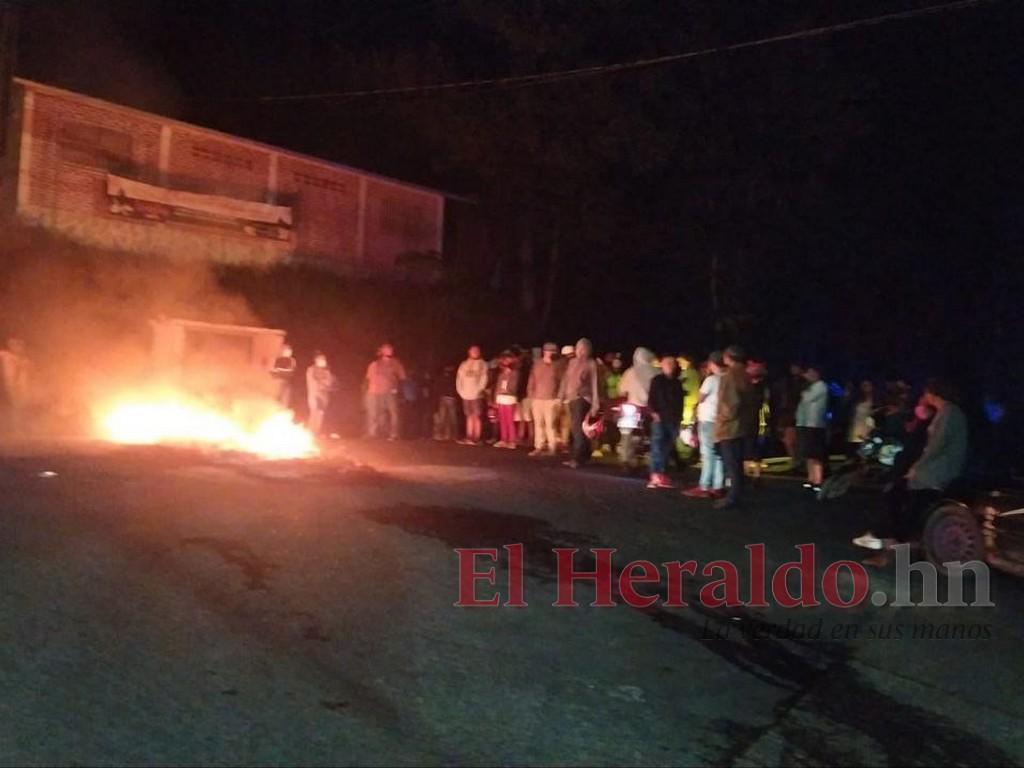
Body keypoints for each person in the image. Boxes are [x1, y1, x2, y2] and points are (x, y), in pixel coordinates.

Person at [855, 378, 968, 567]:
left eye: (926, 393)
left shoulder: (949, 412)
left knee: (896, 497)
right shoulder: (946, 412)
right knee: (897, 498)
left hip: (938, 471)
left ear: (932, 393)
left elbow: (936, 446)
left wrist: (917, 467)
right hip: (935, 467)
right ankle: (884, 540)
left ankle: (883, 540)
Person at [713, 345, 752, 509]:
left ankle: (732, 498)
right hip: (742, 426)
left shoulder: (730, 376)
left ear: (729, 357)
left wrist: (721, 421)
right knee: (737, 463)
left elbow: (729, 405)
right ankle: (737, 494)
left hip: (730, 428)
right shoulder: (745, 374)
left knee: (732, 464)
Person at [684, 351, 725, 498]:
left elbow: (700, 398)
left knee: (708, 454)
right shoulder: (727, 379)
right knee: (719, 454)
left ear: (712, 364)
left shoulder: (711, 380)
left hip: (708, 420)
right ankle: (718, 486)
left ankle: (704, 486)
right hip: (721, 421)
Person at [557, 338, 600, 468]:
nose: (580, 352)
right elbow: (565, 380)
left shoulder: (591, 363)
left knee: (578, 430)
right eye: (578, 348)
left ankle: (577, 458)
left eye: (583, 349)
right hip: (571, 399)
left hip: (582, 398)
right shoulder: (572, 362)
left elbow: (595, 383)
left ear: (588, 350)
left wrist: (595, 403)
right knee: (580, 429)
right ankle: (585, 456)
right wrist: (560, 396)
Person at [617, 346, 657, 468]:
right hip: (650, 409)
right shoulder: (656, 372)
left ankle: (625, 459)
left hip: (632, 408)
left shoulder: (630, 372)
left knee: (626, 434)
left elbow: (621, 390)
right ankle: (652, 460)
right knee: (653, 435)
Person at [647, 355, 684, 489]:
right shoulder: (657, 380)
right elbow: (651, 398)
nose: (669, 365)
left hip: (673, 419)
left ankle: (662, 474)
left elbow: (680, 402)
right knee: (657, 446)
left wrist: (680, 419)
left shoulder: (677, 382)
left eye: (672, 363)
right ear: (662, 365)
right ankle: (655, 474)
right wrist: (654, 413)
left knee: (667, 448)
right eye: (667, 363)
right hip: (660, 418)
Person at [796, 364, 829, 492]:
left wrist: (804, 392)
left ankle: (818, 480)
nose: (808, 375)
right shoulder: (810, 387)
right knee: (808, 453)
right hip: (805, 423)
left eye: (810, 372)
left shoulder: (821, 386)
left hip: (815, 424)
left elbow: (807, 398)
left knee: (815, 453)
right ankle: (811, 478)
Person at [365, 343, 406, 440]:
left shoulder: (395, 362)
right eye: (386, 349)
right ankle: (379, 433)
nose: (389, 351)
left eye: (390, 349)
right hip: (377, 392)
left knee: (393, 412)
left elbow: (402, 376)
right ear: (382, 351)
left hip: (390, 391)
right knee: (380, 413)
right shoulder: (376, 363)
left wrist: (397, 388)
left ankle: (394, 434)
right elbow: (369, 378)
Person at [527, 342, 562, 456]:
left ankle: (552, 447)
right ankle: (539, 447)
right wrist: (531, 394)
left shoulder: (557, 365)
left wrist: (559, 398)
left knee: (550, 424)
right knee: (538, 424)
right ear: (544, 351)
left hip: (551, 399)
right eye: (549, 350)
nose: (550, 353)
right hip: (537, 398)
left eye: (553, 351)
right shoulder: (537, 364)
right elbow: (532, 379)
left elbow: (562, 382)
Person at [773, 363, 804, 471]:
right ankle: (796, 461)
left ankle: (798, 461)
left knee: (794, 440)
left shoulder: (803, 383)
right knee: (788, 440)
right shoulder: (786, 382)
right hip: (786, 414)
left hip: (797, 414)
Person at [456, 345, 489, 445]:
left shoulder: (482, 364)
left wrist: (479, 389)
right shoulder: (464, 364)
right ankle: (469, 436)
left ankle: (476, 438)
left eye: (476, 351)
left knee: (476, 415)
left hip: (476, 394)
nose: (475, 352)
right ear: (469, 352)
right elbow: (459, 379)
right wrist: (460, 391)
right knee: (469, 416)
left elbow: (484, 378)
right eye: (473, 350)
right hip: (465, 394)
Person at [0, 337, 31, 433]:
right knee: (10, 408)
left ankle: (17, 429)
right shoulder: (5, 355)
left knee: (18, 409)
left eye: (20, 345)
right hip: (7, 386)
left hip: (19, 389)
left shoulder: (25, 361)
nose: (18, 347)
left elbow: (28, 376)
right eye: (14, 344)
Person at [492, 350, 520, 449]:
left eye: (508, 359)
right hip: (501, 398)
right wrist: (495, 399)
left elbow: (514, 386)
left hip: (509, 398)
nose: (506, 361)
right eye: (504, 359)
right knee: (502, 420)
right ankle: (504, 439)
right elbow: (497, 387)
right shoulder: (501, 374)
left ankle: (512, 440)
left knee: (509, 420)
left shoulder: (515, 373)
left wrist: (507, 389)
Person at [306, 352, 337, 437]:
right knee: (314, 413)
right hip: (314, 395)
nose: (323, 361)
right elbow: (315, 380)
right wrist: (323, 383)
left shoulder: (326, 371)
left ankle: (316, 432)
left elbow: (330, 383)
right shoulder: (311, 369)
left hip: (323, 397)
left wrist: (327, 383)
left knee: (320, 414)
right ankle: (310, 432)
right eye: (320, 359)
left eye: (324, 359)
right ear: (316, 360)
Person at [847, 380, 876, 456]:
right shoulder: (857, 400)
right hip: (857, 430)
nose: (866, 388)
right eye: (864, 386)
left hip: (869, 430)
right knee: (857, 453)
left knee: (866, 454)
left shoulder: (876, 400)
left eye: (868, 385)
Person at [556, 344, 575, 450]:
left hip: (563, 397)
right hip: (568, 397)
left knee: (564, 420)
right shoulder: (574, 364)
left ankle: (564, 441)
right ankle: (565, 441)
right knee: (567, 421)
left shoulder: (560, 364)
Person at [433, 365, 459, 441]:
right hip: (445, 398)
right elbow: (437, 387)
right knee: (445, 417)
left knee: (450, 418)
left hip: (449, 398)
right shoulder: (447, 377)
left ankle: (450, 435)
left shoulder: (453, 377)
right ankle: (445, 435)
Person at [270, 343, 297, 408]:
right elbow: (274, 370)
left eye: (290, 351)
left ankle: (283, 410)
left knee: (285, 399)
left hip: (286, 382)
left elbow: (291, 370)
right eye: (287, 351)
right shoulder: (278, 359)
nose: (289, 352)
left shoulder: (292, 360)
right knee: (276, 399)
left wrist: (280, 370)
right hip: (277, 383)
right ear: (283, 351)